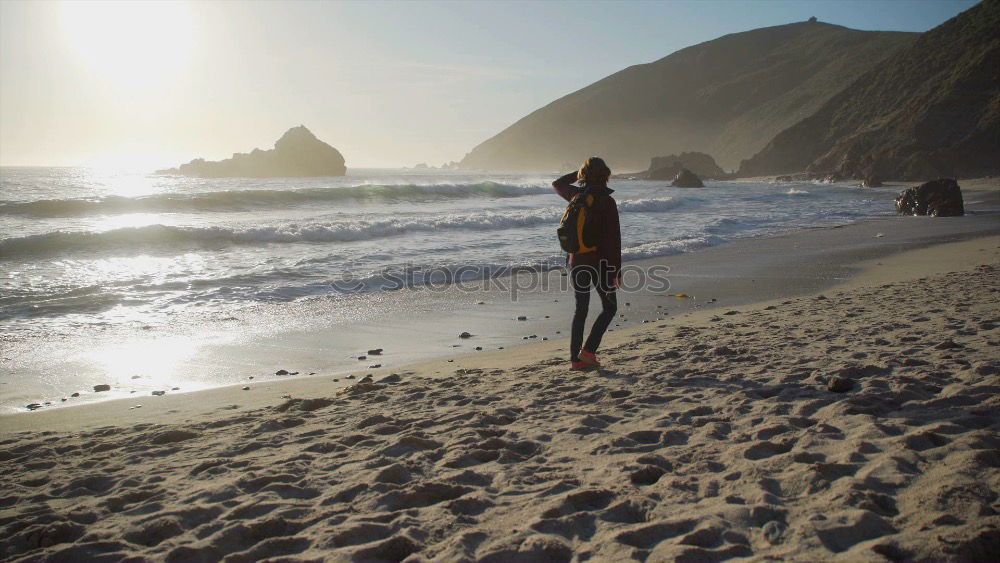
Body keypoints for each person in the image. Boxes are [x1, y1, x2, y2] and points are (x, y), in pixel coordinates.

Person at [552, 156, 621, 370]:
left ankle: (575, 360)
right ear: (606, 175)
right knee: (609, 307)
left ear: (584, 176)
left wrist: (580, 173)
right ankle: (588, 351)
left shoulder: (576, 195)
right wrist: (616, 270)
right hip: (599, 262)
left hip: (576, 261)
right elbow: (613, 239)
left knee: (580, 310)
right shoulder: (606, 201)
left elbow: (557, 184)